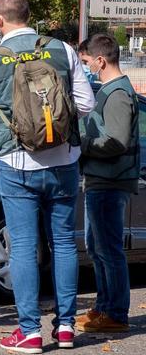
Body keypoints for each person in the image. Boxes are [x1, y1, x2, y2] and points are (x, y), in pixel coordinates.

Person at [0, 0, 94, 353]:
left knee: (22, 247)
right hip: (64, 161)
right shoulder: (63, 50)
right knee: (65, 243)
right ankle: (67, 327)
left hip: (16, 163)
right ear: (29, 14)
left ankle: (29, 331)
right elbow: (85, 104)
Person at [76, 33, 138, 333]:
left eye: (86, 62)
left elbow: (117, 141)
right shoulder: (110, 91)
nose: (85, 67)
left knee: (108, 249)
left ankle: (115, 313)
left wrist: (82, 145)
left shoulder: (117, 94)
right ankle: (103, 307)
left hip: (110, 181)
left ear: (101, 60)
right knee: (97, 247)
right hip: (99, 180)